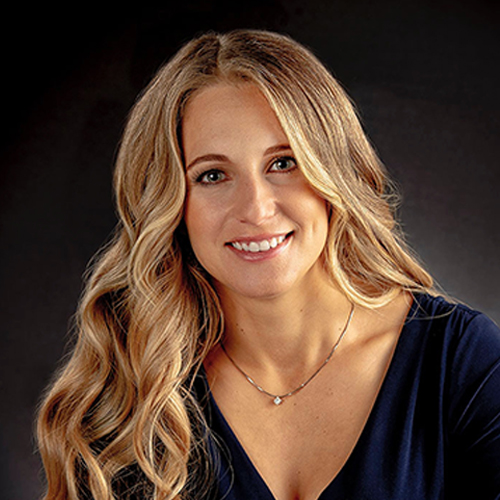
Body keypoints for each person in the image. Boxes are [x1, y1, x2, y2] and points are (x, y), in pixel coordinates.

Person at [36, 29, 500, 500]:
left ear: (334, 174)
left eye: (284, 163)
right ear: (172, 206)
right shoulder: (128, 399)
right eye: (213, 175)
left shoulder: (463, 364)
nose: (256, 209)